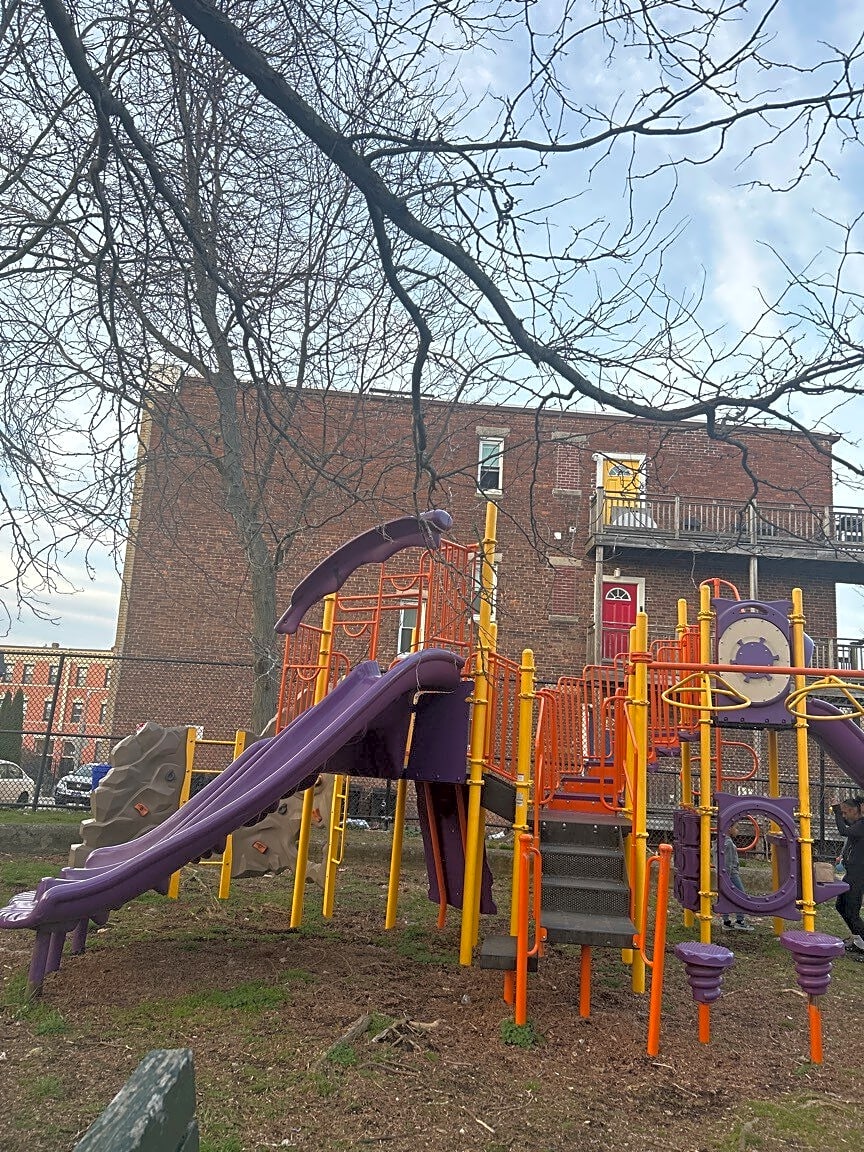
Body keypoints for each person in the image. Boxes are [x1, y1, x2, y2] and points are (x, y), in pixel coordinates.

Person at [831, 794, 864, 956]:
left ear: (853, 810)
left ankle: (862, 943)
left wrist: (837, 811)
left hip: (859, 875)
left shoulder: (862, 825)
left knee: (852, 911)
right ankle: (858, 941)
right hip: (851, 873)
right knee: (841, 906)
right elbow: (847, 827)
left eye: (845, 812)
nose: (843, 816)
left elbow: (843, 831)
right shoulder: (857, 824)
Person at [722, 825, 755, 931]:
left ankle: (726, 921)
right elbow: (728, 863)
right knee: (741, 895)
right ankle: (740, 921)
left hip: (726, 873)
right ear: (729, 829)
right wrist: (726, 877)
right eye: (736, 828)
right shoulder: (728, 843)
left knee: (726, 896)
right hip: (731, 874)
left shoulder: (721, 840)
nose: (738, 830)